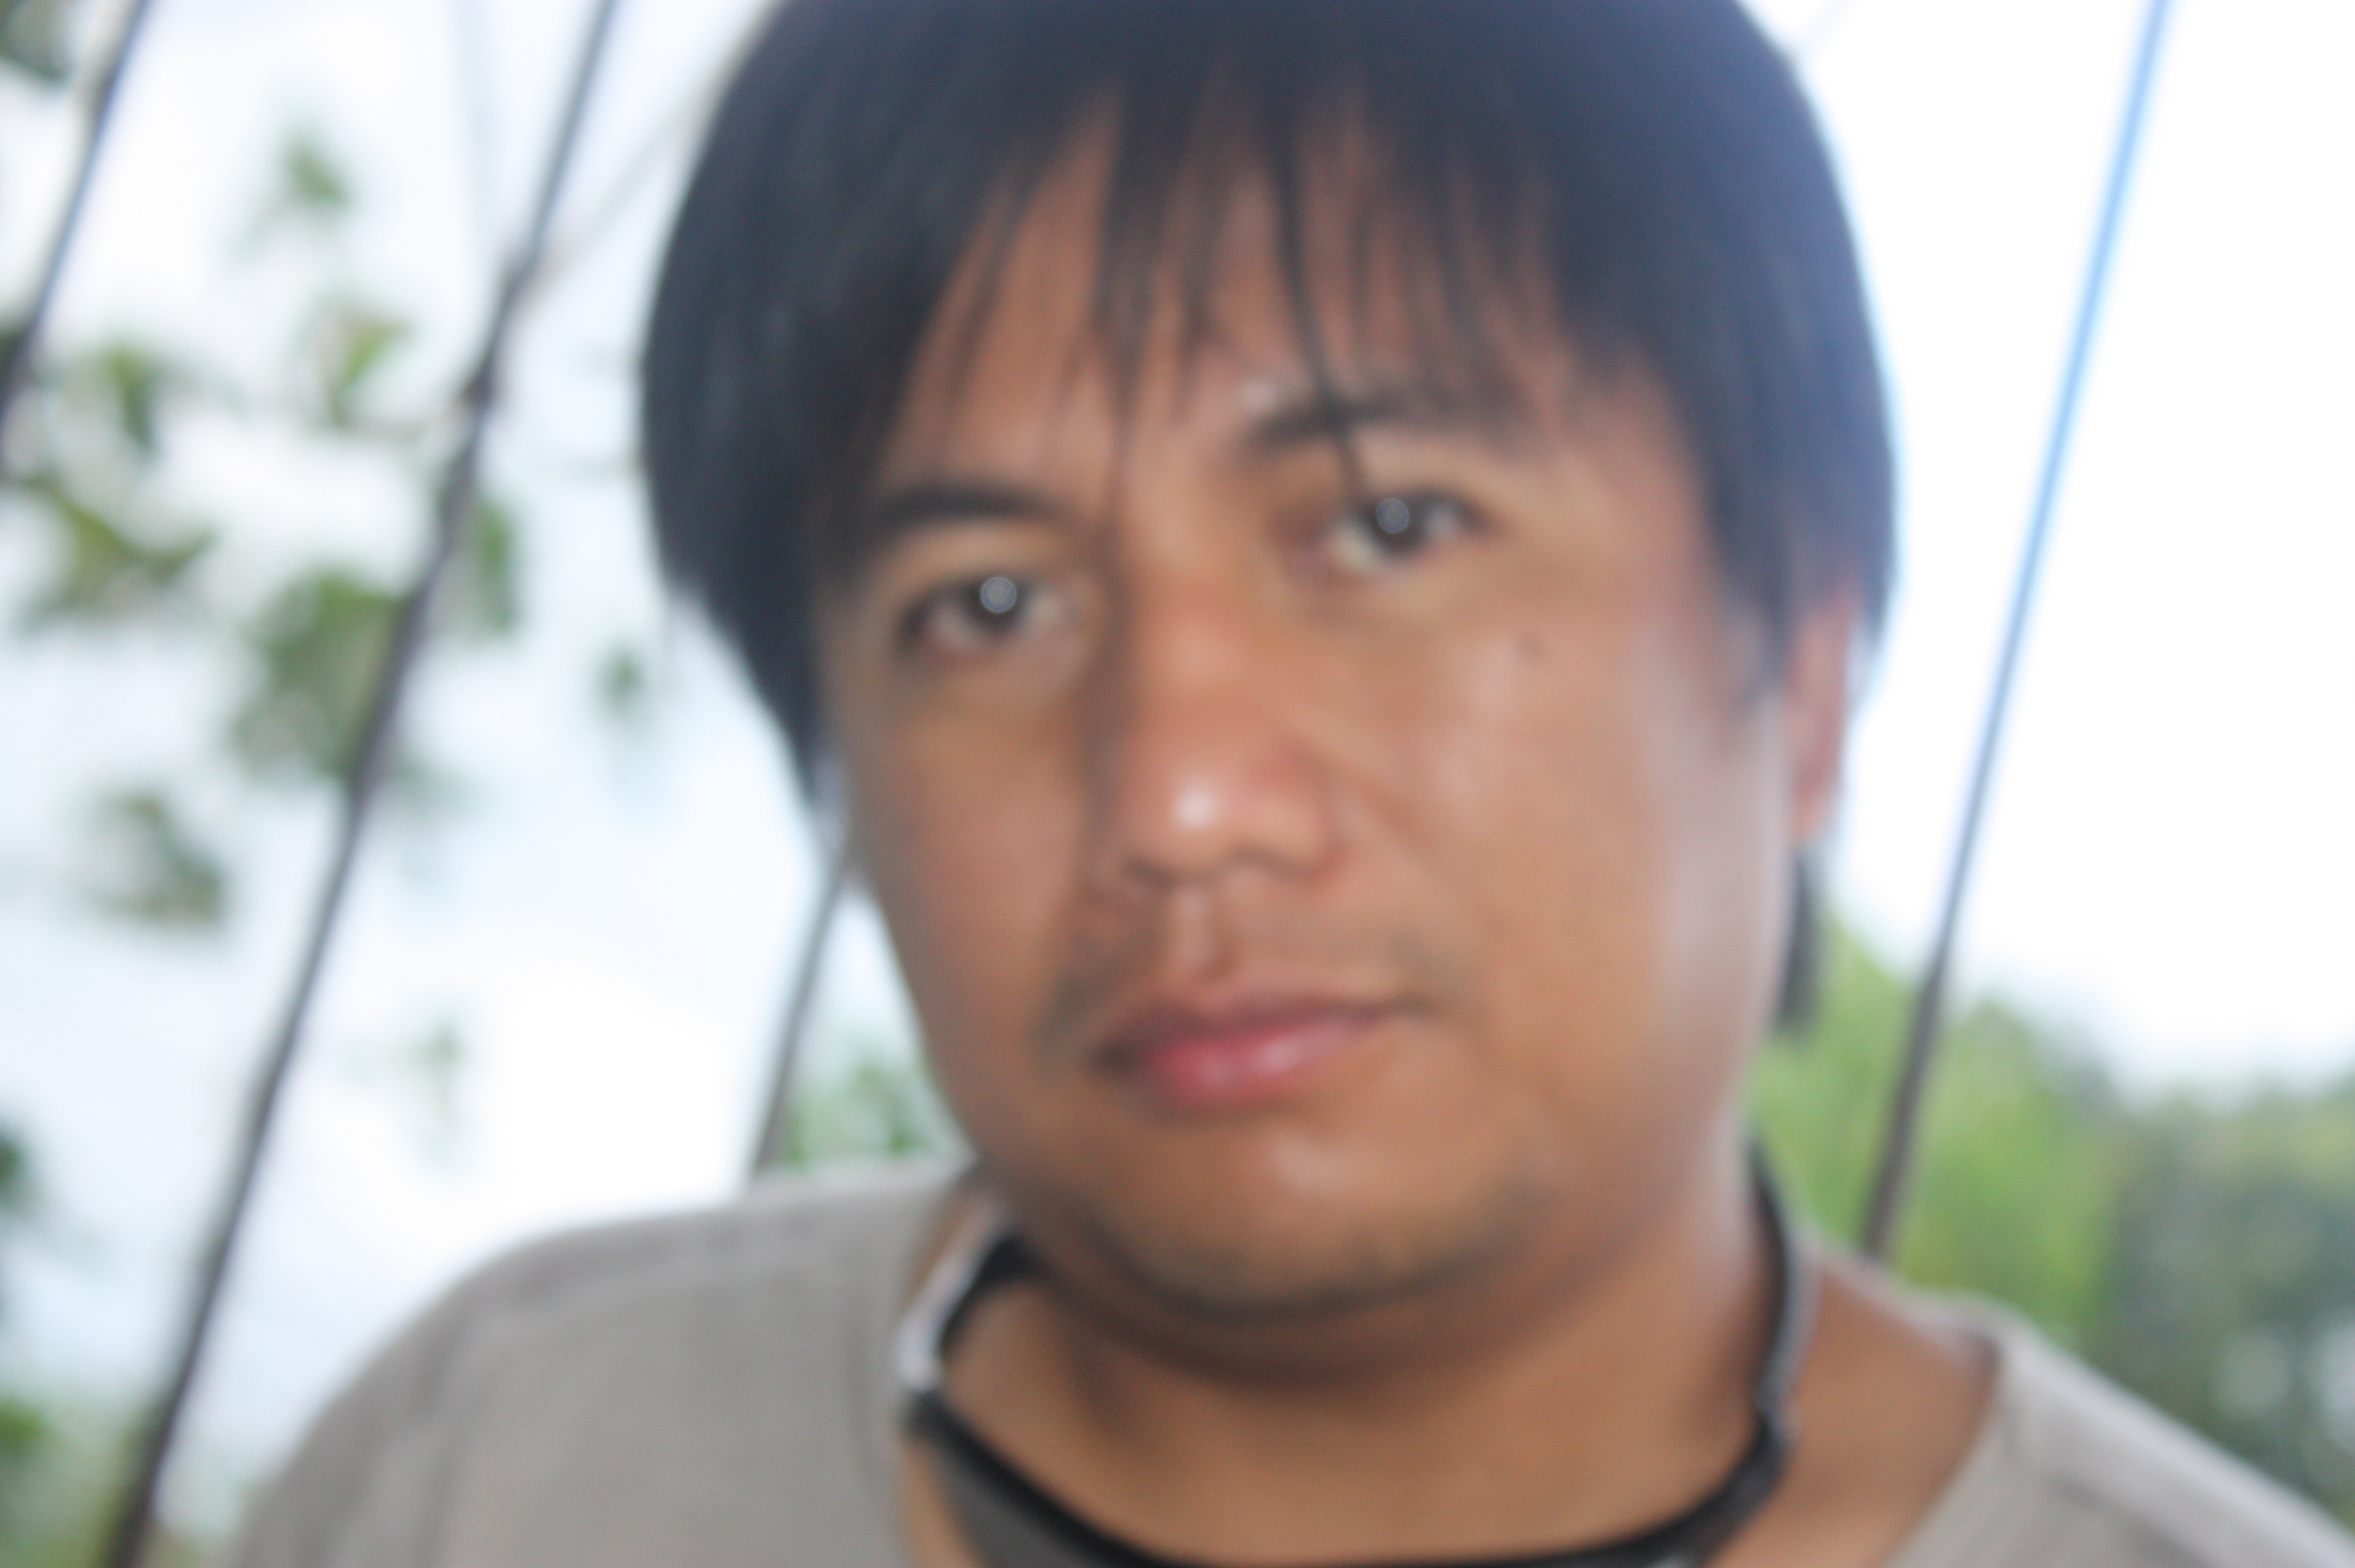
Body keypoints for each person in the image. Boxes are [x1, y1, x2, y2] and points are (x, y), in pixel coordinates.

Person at [220, 2, 2355, 1565]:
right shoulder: (504, 1467)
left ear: (1801, 663)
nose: (1179, 801)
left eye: (1390, 528)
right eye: (984, 604)